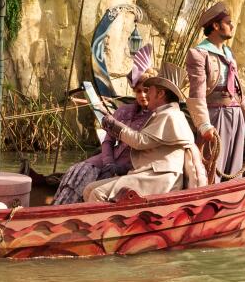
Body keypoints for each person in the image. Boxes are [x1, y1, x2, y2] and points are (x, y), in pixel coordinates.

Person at [53, 44, 156, 205]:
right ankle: (58, 212)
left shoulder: (159, 117)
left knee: (95, 186)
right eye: (138, 91)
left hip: (132, 171)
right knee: (80, 171)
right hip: (106, 161)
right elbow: (108, 141)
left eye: (146, 90)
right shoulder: (124, 111)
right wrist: (108, 162)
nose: (142, 95)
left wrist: (119, 168)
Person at [84, 72, 207, 202]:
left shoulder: (171, 116)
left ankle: (105, 222)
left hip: (160, 178)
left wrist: (113, 124)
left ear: (160, 94)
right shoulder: (164, 114)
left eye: (149, 91)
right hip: (149, 174)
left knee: (97, 193)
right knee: (89, 189)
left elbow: (140, 141)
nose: (146, 95)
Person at [184, 0, 245, 180]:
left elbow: (238, 90)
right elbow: (197, 94)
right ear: (216, 25)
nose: (232, 26)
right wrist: (203, 124)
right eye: (228, 23)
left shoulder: (229, 54)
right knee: (211, 168)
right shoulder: (198, 54)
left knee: (234, 170)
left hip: (236, 117)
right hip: (216, 117)